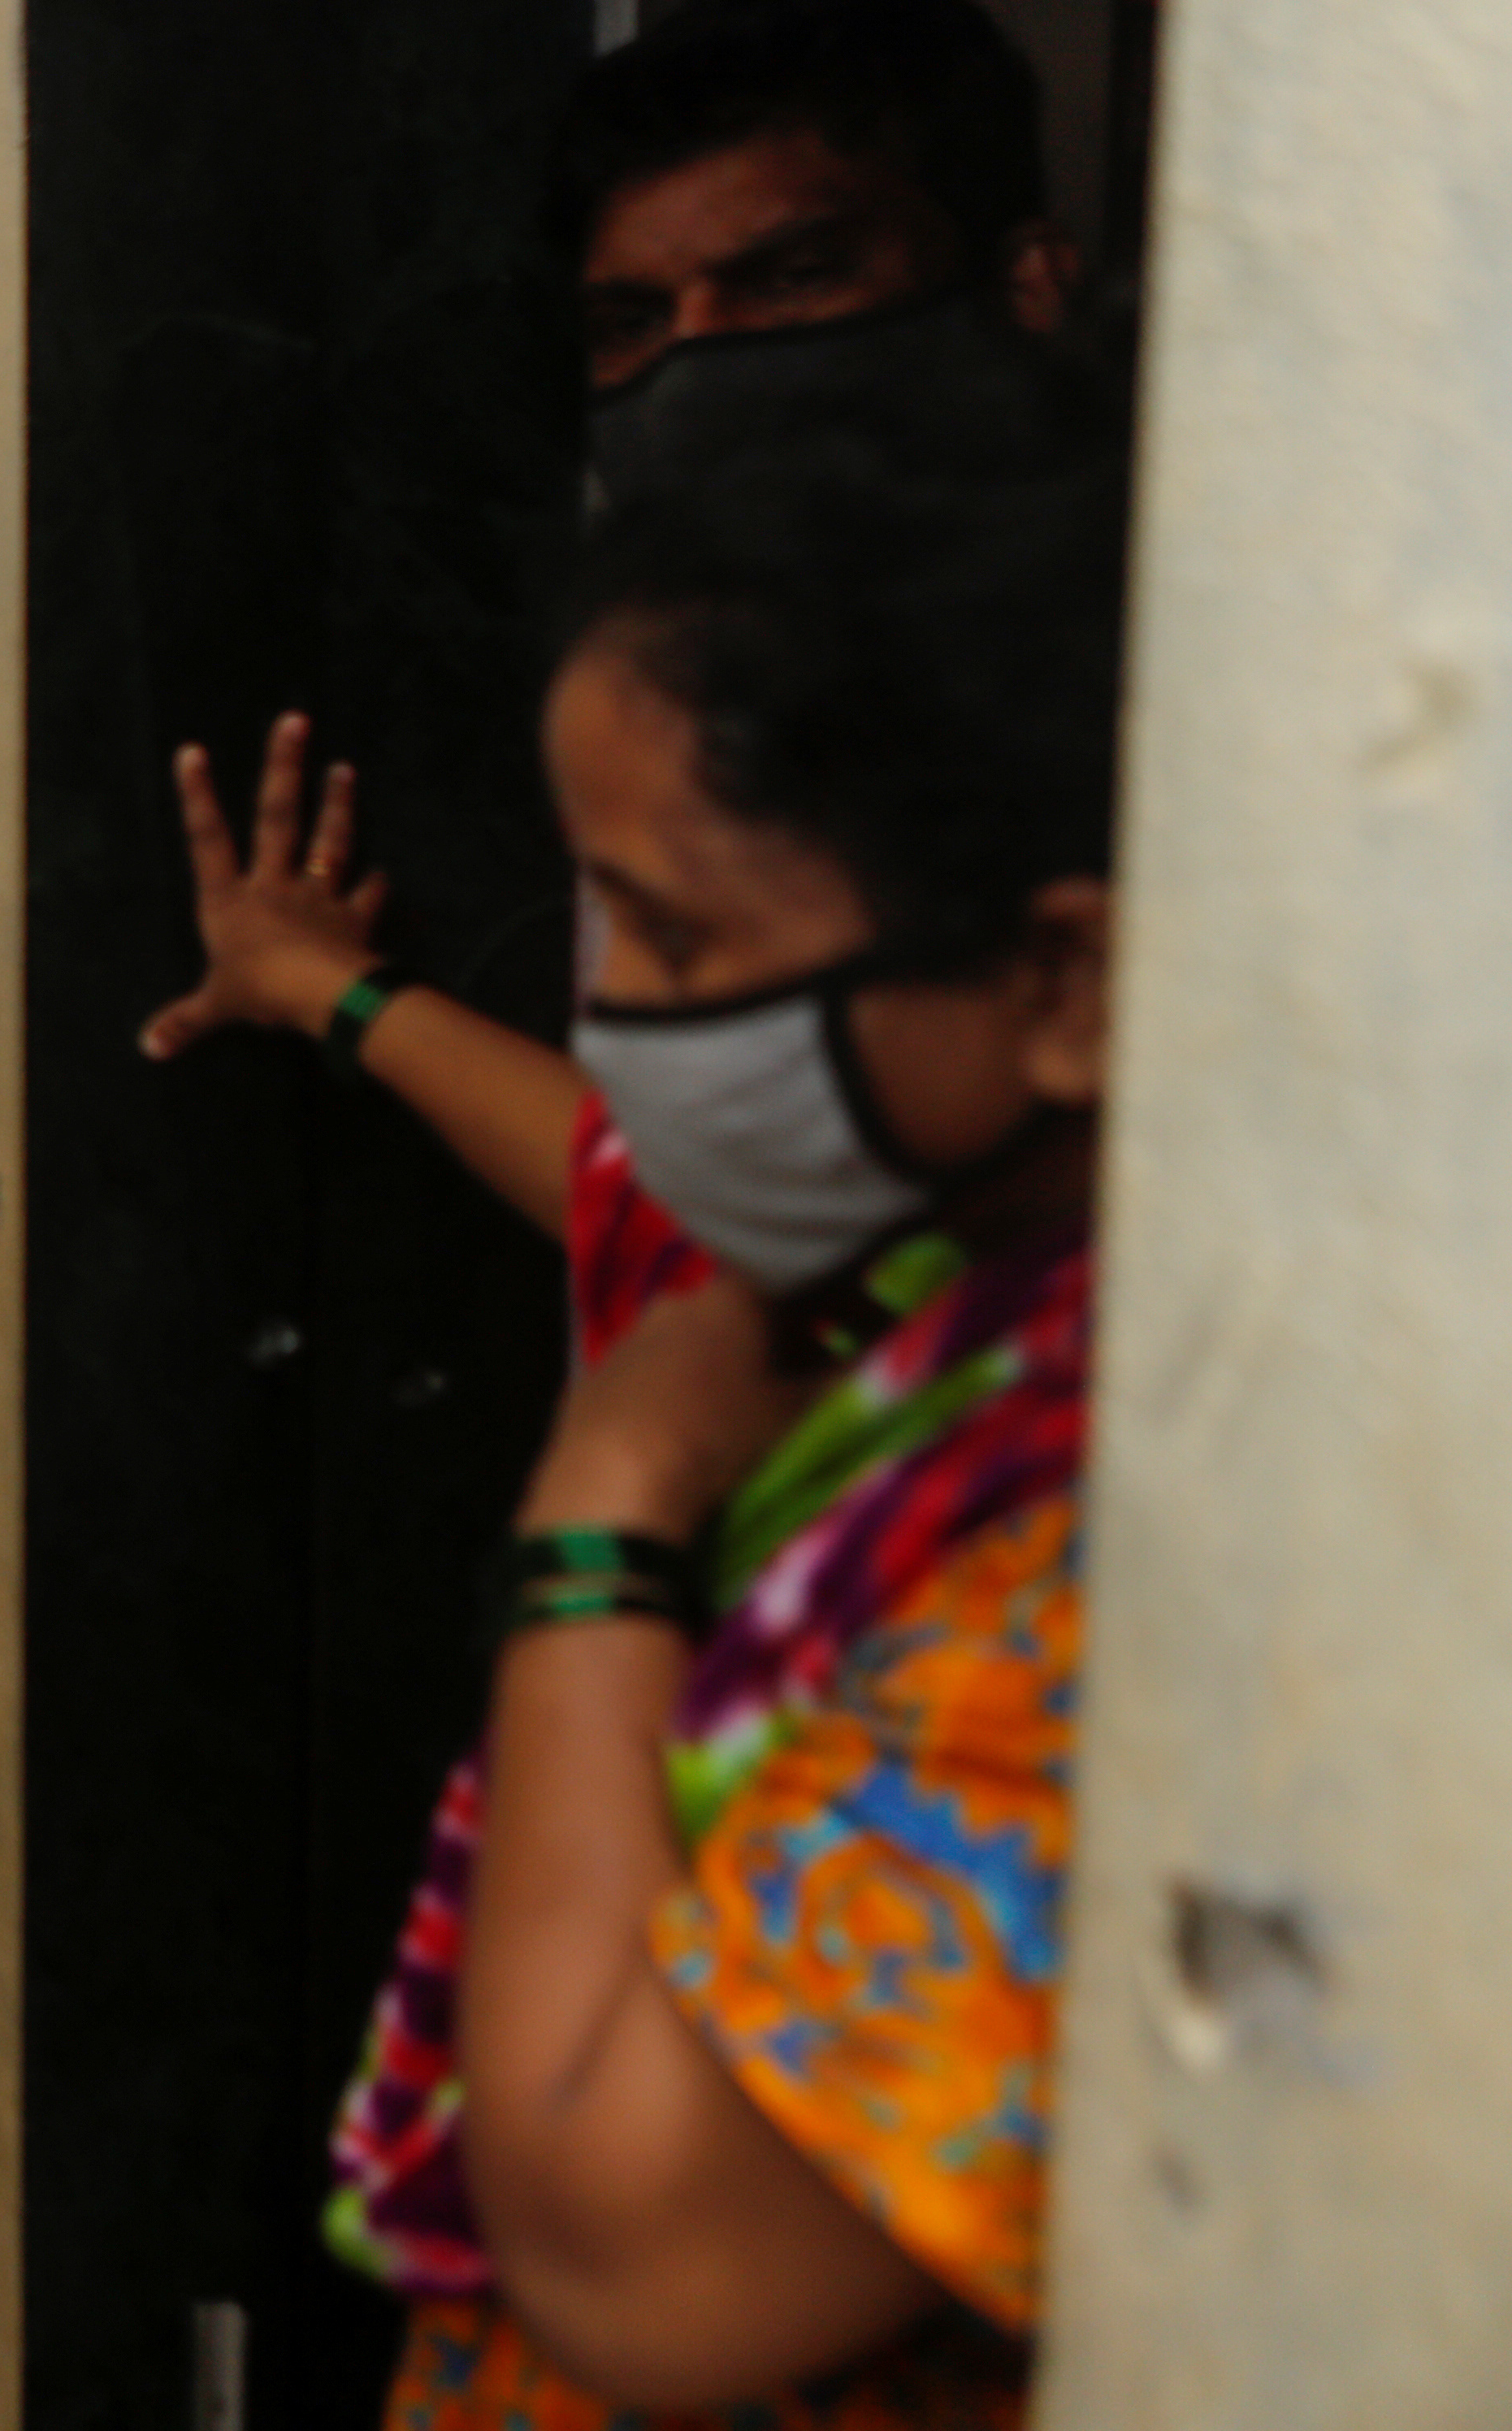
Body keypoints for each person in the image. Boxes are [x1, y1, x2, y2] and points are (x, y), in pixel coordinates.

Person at [375, 451, 1125, 2424]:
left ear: (1063, 978)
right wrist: (331, 987)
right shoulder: (920, 1307)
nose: (625, 1023)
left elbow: (640, 2262)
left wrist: (607, 1505)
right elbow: (597, 1155)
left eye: (679, 942)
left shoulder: (1098, 1567)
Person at [141, 0, 1090, 1233]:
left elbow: (712, 1238)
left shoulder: (1133, 702)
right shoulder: (712, 665)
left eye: (794, 276)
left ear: (1025, 288)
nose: (702, 365)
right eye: (632, 323)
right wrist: (324, 985)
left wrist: (346, 998)